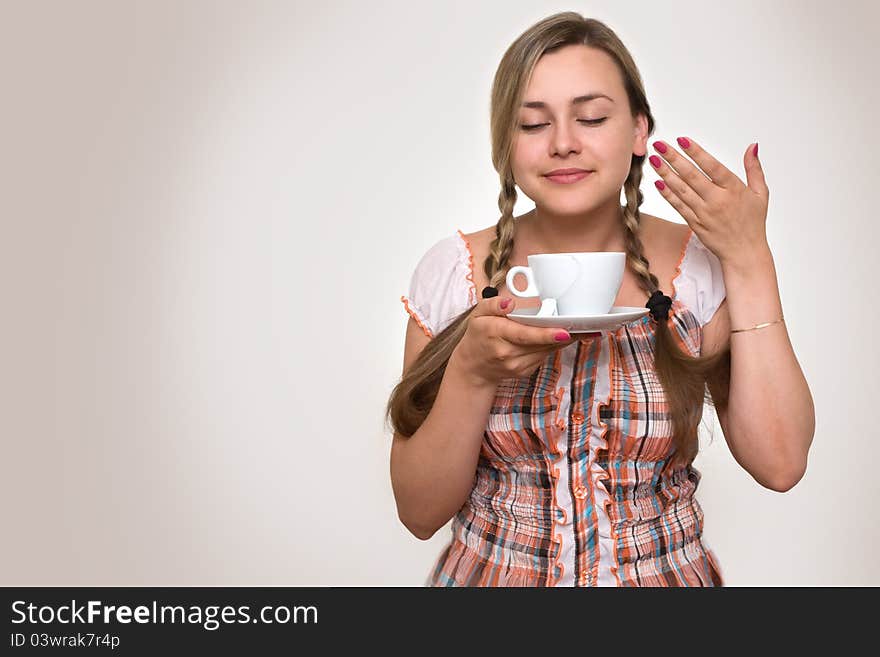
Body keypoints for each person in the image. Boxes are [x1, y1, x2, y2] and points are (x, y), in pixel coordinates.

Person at [385, 12, 815, 587]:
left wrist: (749, 259)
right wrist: (471, 372)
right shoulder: (454, 274)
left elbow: (780, 464)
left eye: (591, 117)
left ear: (639, 131)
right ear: (504, 145)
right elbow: (418, 513)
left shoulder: (698, 271)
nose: (564, 143)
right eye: (533, 124)